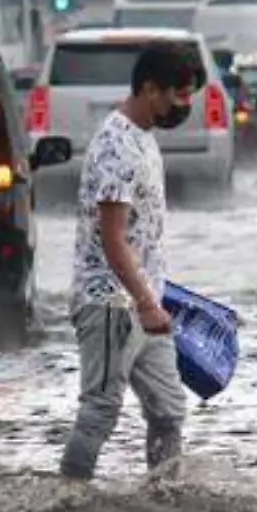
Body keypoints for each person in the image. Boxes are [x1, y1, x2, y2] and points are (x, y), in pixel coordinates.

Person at [59, 43, 198, 481]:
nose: (184, 106)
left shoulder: (144, 138)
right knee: (100, 409)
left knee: (168, 411)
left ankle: (165, 495)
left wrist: (157, 297)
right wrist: (145, 301)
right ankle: (69, 499)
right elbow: (113, 238)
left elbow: (143, 234)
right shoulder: (115, 146)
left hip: (144, 302)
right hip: (111, 303)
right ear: (150, 89)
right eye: (178, 95)